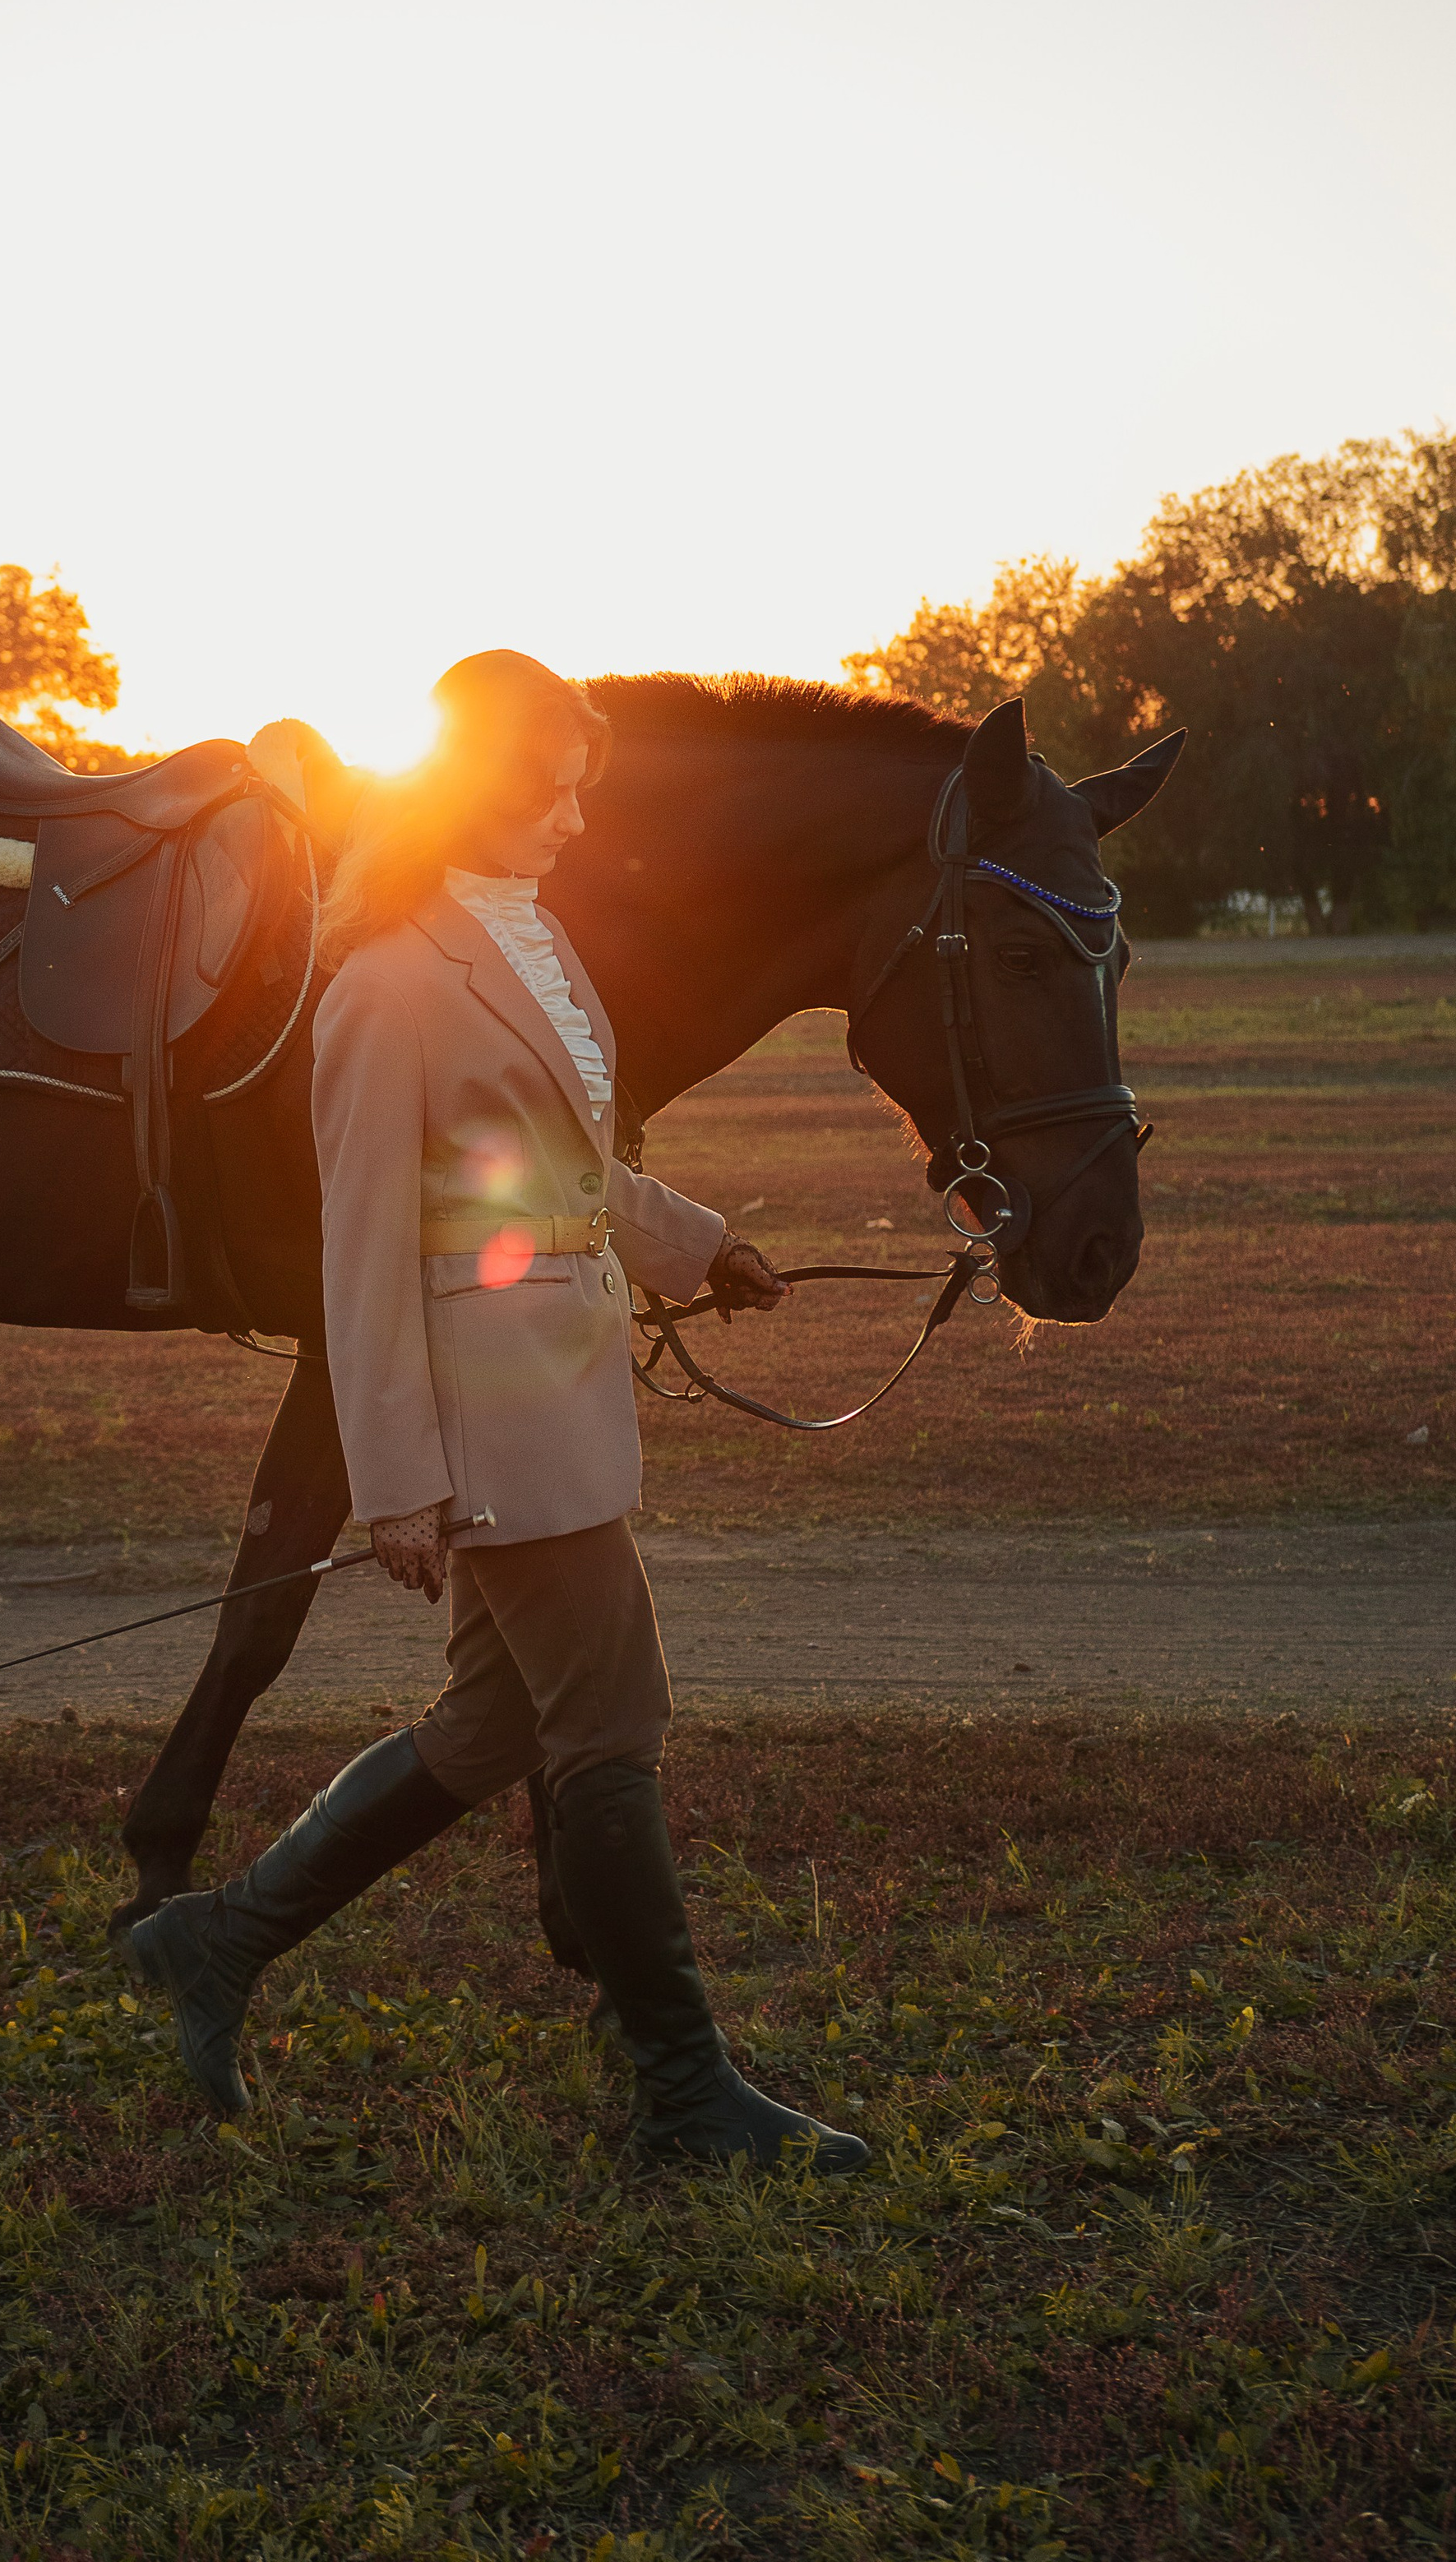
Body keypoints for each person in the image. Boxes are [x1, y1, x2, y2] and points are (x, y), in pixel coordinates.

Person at [127, 651, 867, 2174]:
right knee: (612, 1716)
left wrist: (697, 1243)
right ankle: (685, 2094)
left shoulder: (538, 946)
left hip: (564, 1379)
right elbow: (361, 1252)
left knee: (487, 1726)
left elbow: (561, 1174)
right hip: (491, 1416)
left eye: (587, 782)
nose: (578, 810)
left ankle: (218, 1943)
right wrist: (395, 1475)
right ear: (484, 782)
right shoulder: (389, 982)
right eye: (556, 782)